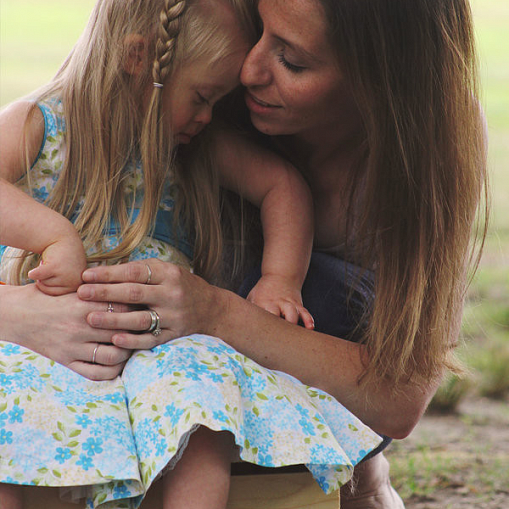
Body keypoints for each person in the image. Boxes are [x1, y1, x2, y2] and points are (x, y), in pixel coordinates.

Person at [68, 0, 487, 507]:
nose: (248, 69)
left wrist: (215, 313)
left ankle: (348, 475)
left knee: (333, 296)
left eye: (292, 61)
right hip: (153, 415)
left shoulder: (424, 145)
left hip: (293, 447)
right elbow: (58, 160)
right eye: (257, 29)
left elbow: (400, 397)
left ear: (380, 79)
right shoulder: (211, 78)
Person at [0, 0, 382, 508]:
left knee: (205, 412)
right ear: (139, 59)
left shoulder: (190, 150)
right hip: (43, 337)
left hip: (164, 343)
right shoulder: (41, 122)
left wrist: (279, 280)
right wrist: (55, 236)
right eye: (203, 97)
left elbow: (281, 186)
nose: (208, 117)